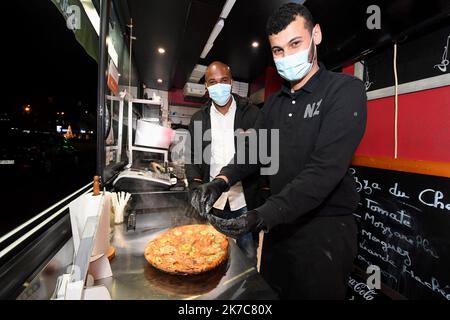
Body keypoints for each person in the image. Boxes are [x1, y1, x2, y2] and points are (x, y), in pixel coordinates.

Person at [191, 3, 367, 299]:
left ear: (316, 36)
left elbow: (321, 173)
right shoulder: (275, 104)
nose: (287, 56)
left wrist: (258, 216)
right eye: (278, 50)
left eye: (295, 43)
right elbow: (254, 152)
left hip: (323, 235)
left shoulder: (345, 91)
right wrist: (221, 180)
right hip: (278, 230)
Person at [185, 61, 264, 262]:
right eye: (212, 82)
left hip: (244, 200)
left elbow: (257, 154)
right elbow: (192, 157)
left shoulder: (252, 113)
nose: (219, 86)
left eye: (223, 81)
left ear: (231, 83)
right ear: (206, 87)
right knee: (211, 255)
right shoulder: (198, 118)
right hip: (213, 201)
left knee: (246, 255)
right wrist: (195, 185)